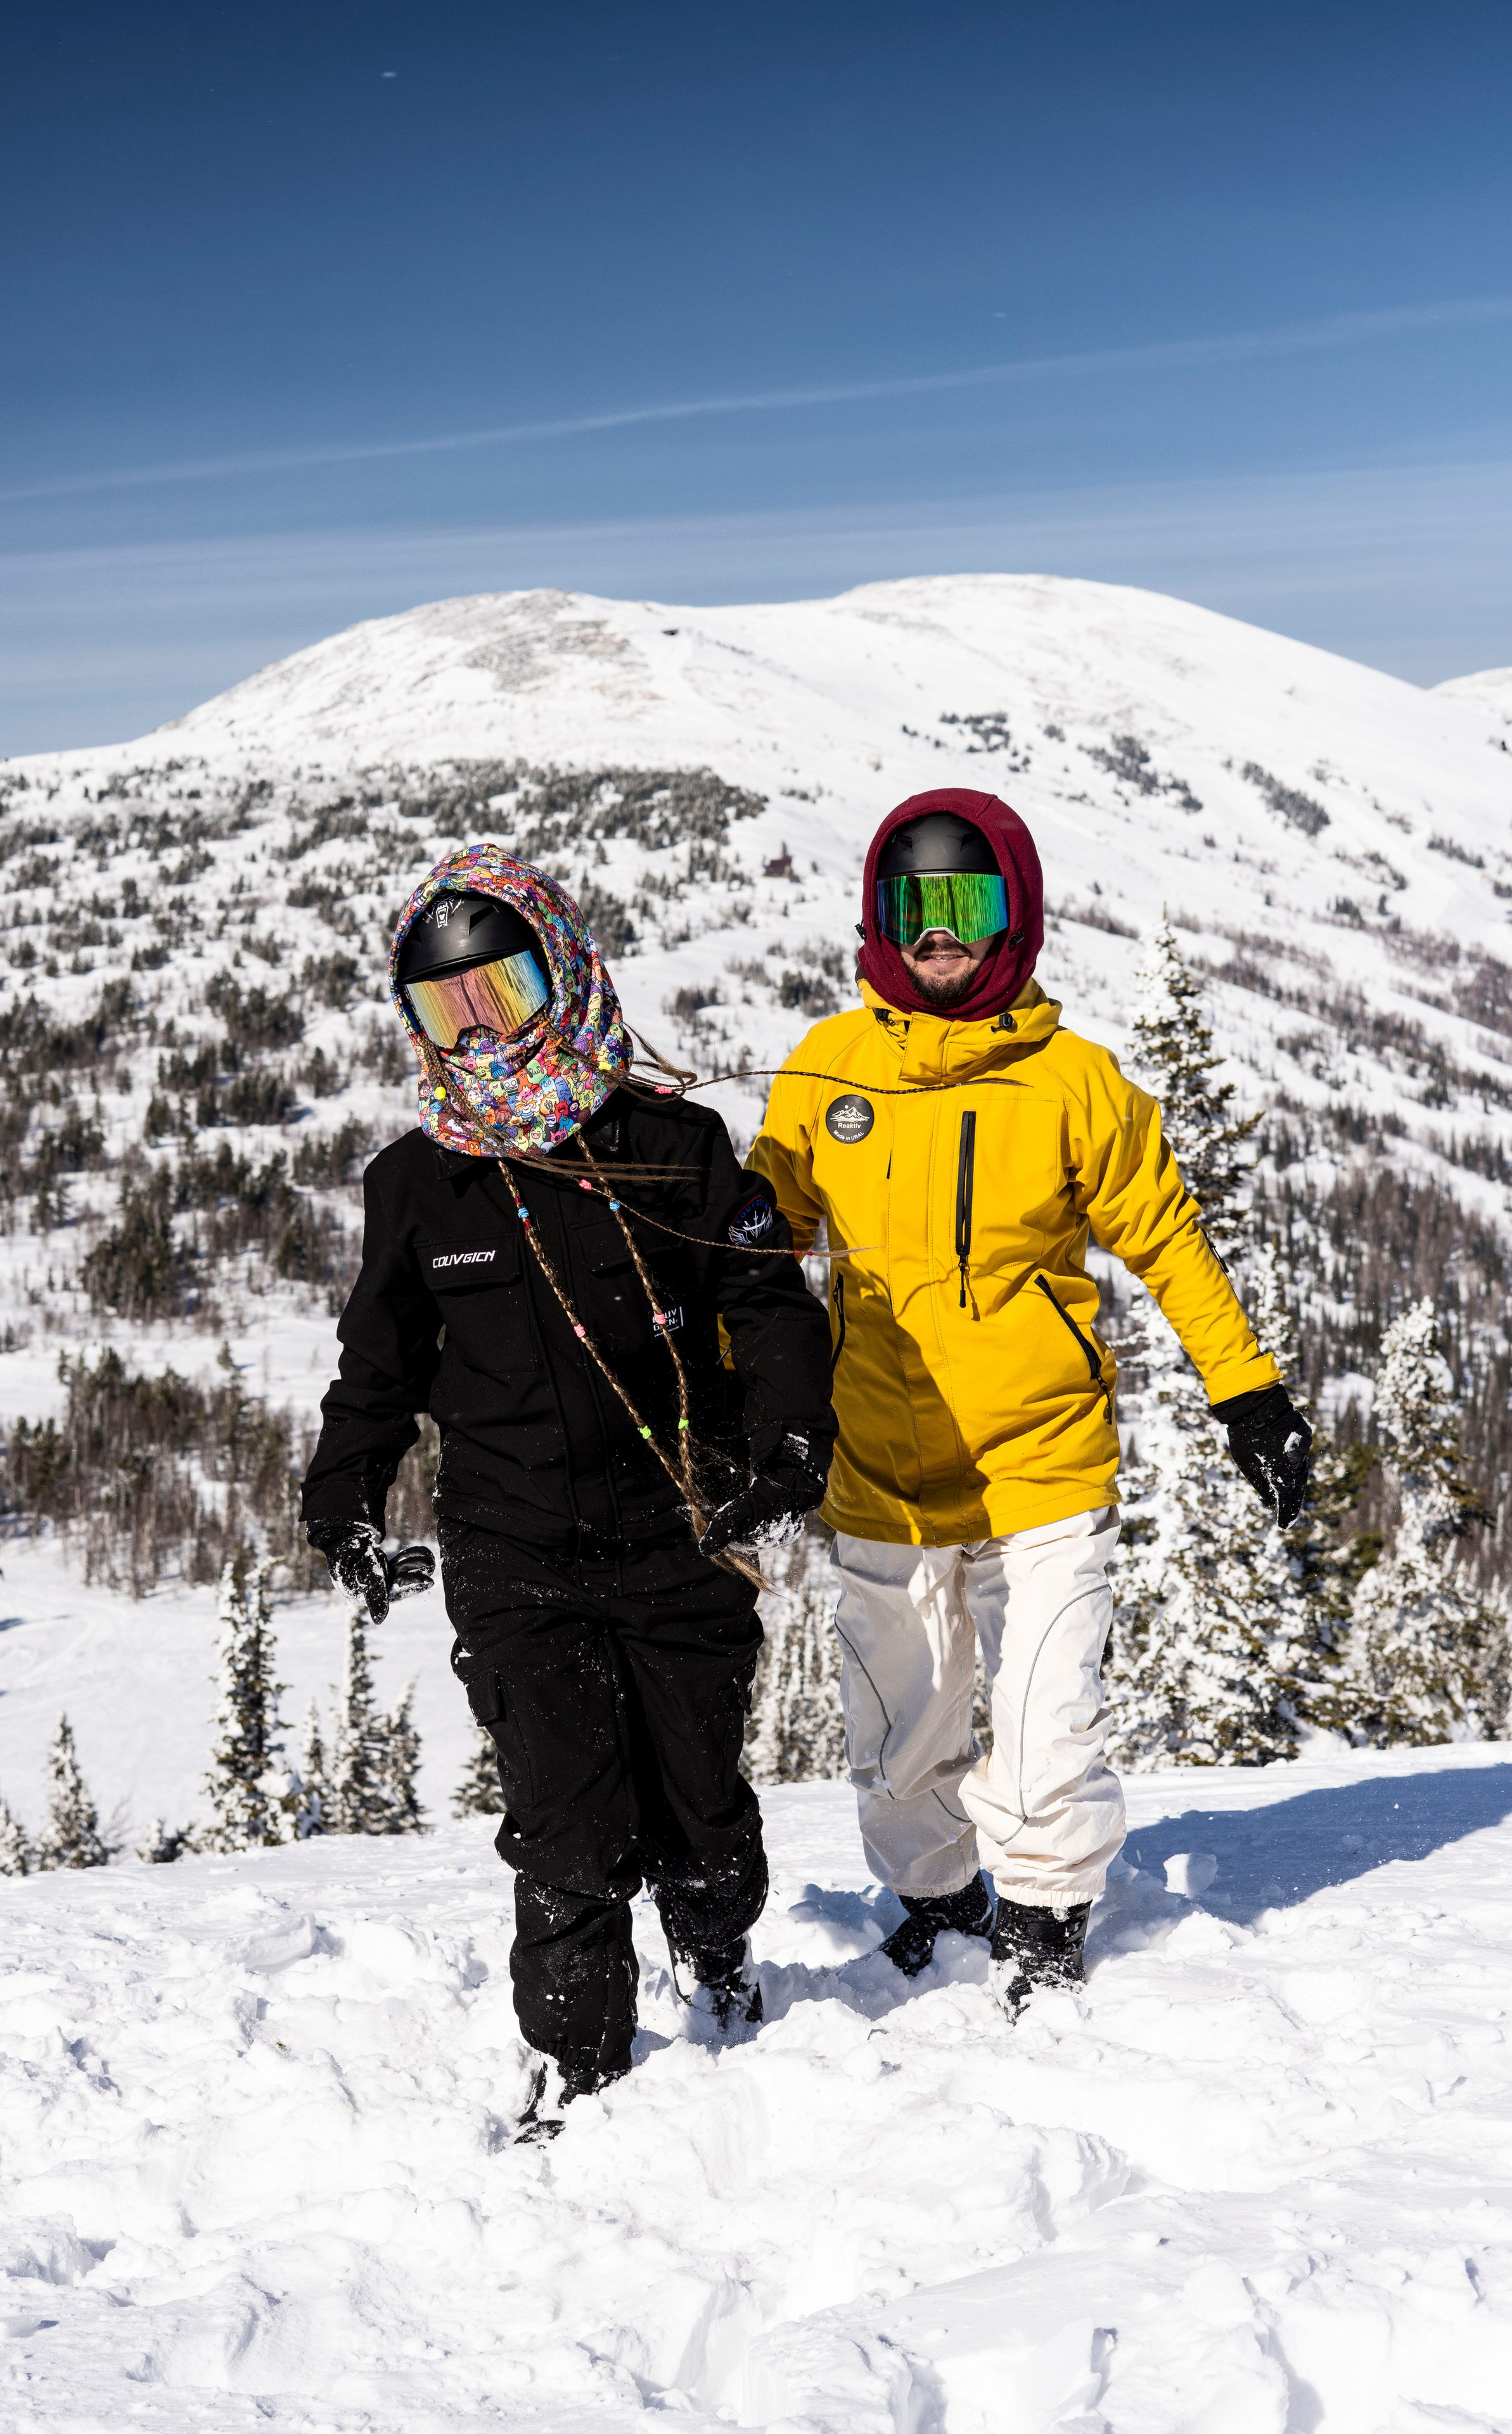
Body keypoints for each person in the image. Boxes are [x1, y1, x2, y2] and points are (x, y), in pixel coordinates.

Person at [746, 788, 1312, 2010]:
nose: (938, 935)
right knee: (900, 1745)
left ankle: (1046, 1923)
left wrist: (1248, 1391)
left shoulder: (1074, 1083)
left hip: (1039, 1465)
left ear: (1015, 916)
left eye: (966, 904)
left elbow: (1169, 1244)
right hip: (880, 1472)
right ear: (878, 918)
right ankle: (941, 1906)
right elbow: (760, 1252)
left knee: (1047, 1719)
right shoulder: (827, 1070)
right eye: (916, 907)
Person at [302, 843, 835, 2134]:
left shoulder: (670, 1142)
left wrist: (788, 1450)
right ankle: (578, 2057)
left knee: (701, 1807)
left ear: (562, 969)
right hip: (513, 1547)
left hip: (679, 1530)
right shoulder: (416, 1185)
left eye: (499, 988)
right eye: (445, 1008)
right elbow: (376, 1370)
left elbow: (763, 1306)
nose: (477, 1027)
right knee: (566, 1823)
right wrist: (345, 1501)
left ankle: (717, 1952)